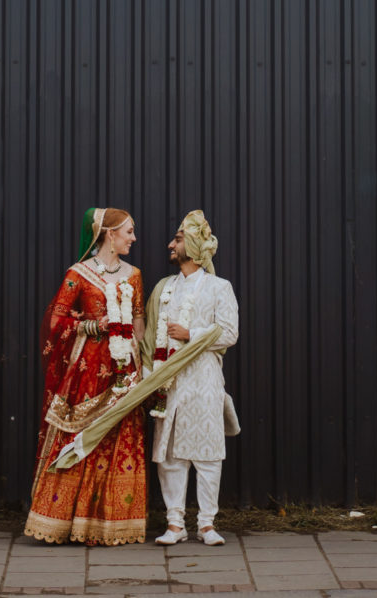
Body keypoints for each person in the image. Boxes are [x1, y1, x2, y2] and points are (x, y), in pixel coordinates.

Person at [23, 208, 149, 545]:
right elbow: (54, 321)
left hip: (123, 372)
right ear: (110, 234)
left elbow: (139, 324)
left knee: (118, 438)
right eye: (129, 232)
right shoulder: (78, 274)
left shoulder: (134, 275)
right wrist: (91, 326)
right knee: (82, 437)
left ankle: (110, 524)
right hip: (87, 371)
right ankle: (63, 521)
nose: (134, 239)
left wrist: (143, 368)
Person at [143, 210, 239, 546]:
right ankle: (174, 524)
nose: (171, 244)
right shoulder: (164, 288)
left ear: (195, 245)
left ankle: (207, 524)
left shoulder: (219, 287)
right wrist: (147, 379)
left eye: (178, 239)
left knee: (208, 452)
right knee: (171, 454)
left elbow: (229, 333)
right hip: (168, 382)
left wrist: (191, 333)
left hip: (204, 380)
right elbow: (149, 337)